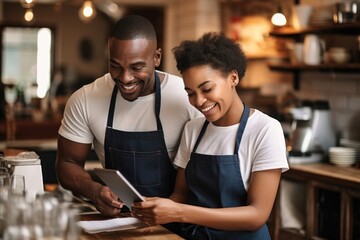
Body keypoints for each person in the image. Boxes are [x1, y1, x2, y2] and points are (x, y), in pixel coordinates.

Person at [132, 32, 289, 239]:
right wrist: (155, 212)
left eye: (207, 89)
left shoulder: (265, 129)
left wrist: (179, 213)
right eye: (190, 93)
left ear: (233, 78)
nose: (198, 101)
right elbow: (181, 194)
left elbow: (257, 214)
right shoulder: (193, 129)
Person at [55, 15, 201, 218]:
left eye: (136, 67)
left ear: (157, 57)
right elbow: (67, 164)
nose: (125, 78)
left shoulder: (187, 99)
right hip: (115, 221)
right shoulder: (85, 99)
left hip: (176, 223)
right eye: (115, 66)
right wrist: (94, 191)